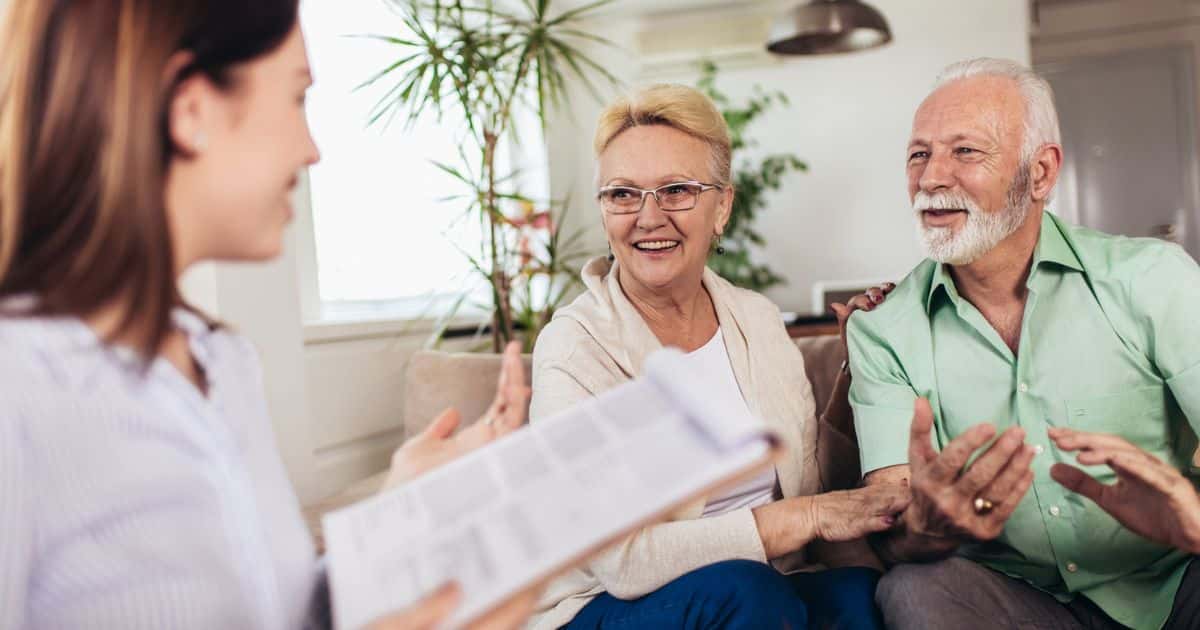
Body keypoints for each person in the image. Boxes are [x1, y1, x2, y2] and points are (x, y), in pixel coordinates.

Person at [0, 1, 536, 628]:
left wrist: (401, 510)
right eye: (297, 97)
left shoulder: (223, 362)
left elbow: (271, 608)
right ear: (191, 109)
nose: (312, 151)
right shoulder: (20, 391)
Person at [528, 84, 909, 630]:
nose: (648, 216)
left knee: (858, 591)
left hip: (759, 584)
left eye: (677, 190)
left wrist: (860, 369)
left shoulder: (755, 319)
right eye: (622, 194)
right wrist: (805, 518)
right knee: (746, 592)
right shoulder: (574, 346)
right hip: (598, 605)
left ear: (722, 207)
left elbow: (812, 482)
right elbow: (623, 561)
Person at [846, 57, 1200, 630]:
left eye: (965, 151)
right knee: (913, 588)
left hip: (1174, 583)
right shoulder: (882, 330)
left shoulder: (1151, 278)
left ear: (1040, 173)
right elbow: (895, 530)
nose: (932, 177)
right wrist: (926, 527)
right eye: (919, 154)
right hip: (1017, 599)